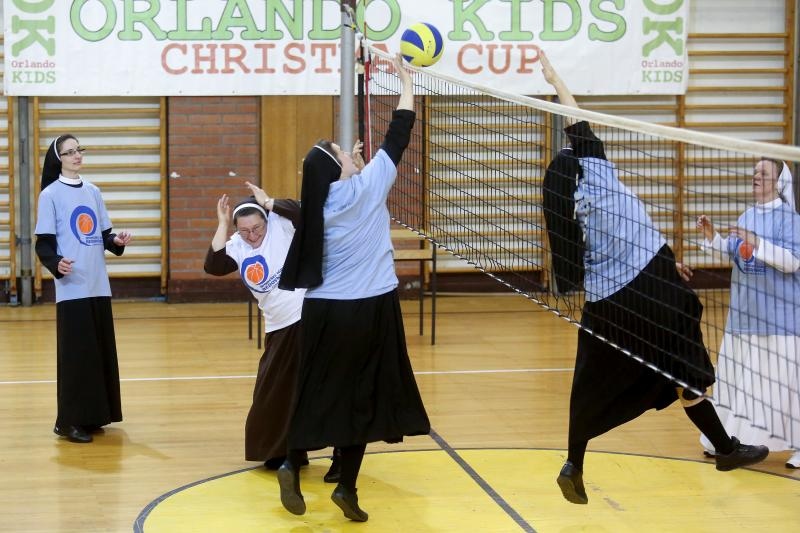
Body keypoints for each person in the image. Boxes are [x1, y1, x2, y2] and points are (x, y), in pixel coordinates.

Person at [538, 51, 769, 505]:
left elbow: (597, 258)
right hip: (654, 290)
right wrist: (554, 78)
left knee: (591, 381)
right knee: (684, 362)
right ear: (584, 162)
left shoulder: (570, 214)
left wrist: (663, 264)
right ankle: (724, 446)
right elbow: (574, 118)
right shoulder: (598, 171)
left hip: (608, 301)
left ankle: (574, 462)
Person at [275, 53, 431, 522]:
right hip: (370, 309)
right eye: (341, 152)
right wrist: (405, 79)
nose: (350, 152)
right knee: (365, 396)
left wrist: (352, 168)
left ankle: (289, 459)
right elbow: (401, 129)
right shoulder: (368, 188)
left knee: (316, 390)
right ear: (336, 167)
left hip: (322, 311)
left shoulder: (317, 206)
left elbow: (353, 170)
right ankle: (346, 485)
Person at [696, 159, 800, 469]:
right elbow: (738, 251)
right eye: (755, 172)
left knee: (784, 386)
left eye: (763, 173)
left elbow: (793, 261)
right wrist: (714, 238)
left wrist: (757, 242)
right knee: (735, 380)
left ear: (779, 183)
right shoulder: (747, 215)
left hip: (779, 318)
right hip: (744, 316)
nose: (756, 177)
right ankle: (726, 441)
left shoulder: (790, 220)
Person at [34, 135, 131, 444]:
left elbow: (104, 235)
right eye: (69, 152)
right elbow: (44, 242)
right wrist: (56, 263)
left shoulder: (93, 192)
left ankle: (94, 415)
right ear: (58, 158)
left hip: (97, 284)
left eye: (79, 150)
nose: (77, 156)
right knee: (76, 358)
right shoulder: (50, 195)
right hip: (72, 287)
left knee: (98, 353)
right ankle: (68, 422)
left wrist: (116, 242)